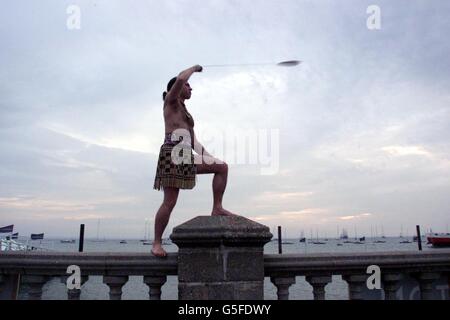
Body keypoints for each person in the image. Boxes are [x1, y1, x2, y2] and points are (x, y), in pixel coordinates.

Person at [152, 65, 236, 257]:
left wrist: (208, 157)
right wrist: (194, 68)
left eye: (190, 85)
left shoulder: (186, 113)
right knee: (170, 201)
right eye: (188, 86)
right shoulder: (170, 102)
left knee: (221, 167)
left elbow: (194, 142)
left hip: (186, 155)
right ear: (178, 88)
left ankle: (217, 208)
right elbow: (181, 78)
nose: (191, 88)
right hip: (172, 153)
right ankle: (156, 243)